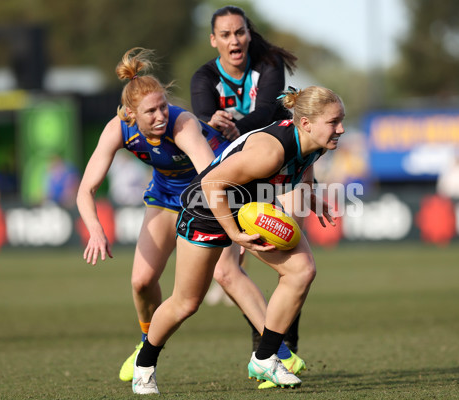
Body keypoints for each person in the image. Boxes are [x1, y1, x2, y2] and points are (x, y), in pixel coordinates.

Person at [76, 47, 303, 386]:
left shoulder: (183, 125)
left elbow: (211, 177)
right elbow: (86, 190)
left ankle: (280, 352)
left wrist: (234, 228)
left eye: (163, 106)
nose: (160, 116)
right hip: (166, 196)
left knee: (227, 272)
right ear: (129, 116)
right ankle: (146, 342)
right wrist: (95, 229)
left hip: (213, 194)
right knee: (141, 281)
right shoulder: (117, 129)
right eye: (150, 111)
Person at [132, 86, 345, 394]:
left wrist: (312, 197)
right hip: (206, 206)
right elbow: (210, 183)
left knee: (302, 271)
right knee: (186, 303)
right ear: (306, 124)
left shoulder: (318, 142)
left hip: (249, 206)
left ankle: (265, 356)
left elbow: (305, 166)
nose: (341, 128)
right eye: (334, 122)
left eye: (341, 121)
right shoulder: (270, 152)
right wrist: (233, 233)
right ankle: (144, 364)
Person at [191, 6, 304, 373]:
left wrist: (235, 126)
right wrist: (214, 121)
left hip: (276, 168)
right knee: (228, 270)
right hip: (233, 177)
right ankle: (270, 347)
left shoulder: (269, 65)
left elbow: (272, 112)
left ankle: (285, 344)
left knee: (287, 255)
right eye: (225, 34)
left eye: (239, 32)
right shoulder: (204, 76)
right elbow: (206, 121)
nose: (234, 40)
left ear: (248, 35)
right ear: (214, 40)